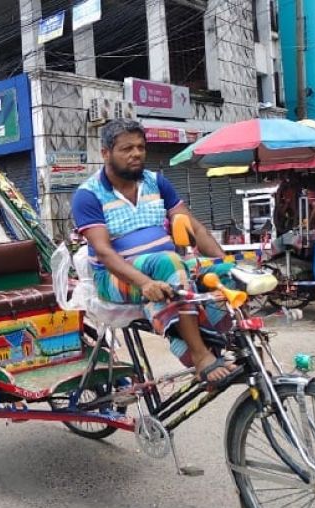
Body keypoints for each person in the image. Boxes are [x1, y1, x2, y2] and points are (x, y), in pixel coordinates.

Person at [71, 118, 237, 387]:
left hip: (166, 267)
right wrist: (144, 282)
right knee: (170, 263)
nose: (136, 154)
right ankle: (200, 356)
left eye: (140, 147)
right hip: (115, 279)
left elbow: (193, 227)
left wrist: (224, 261)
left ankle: (225, 342)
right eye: (126, 149)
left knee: (229, 271)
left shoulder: (156, 183)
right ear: (105, 153)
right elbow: (103, 252)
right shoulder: (88, 195)